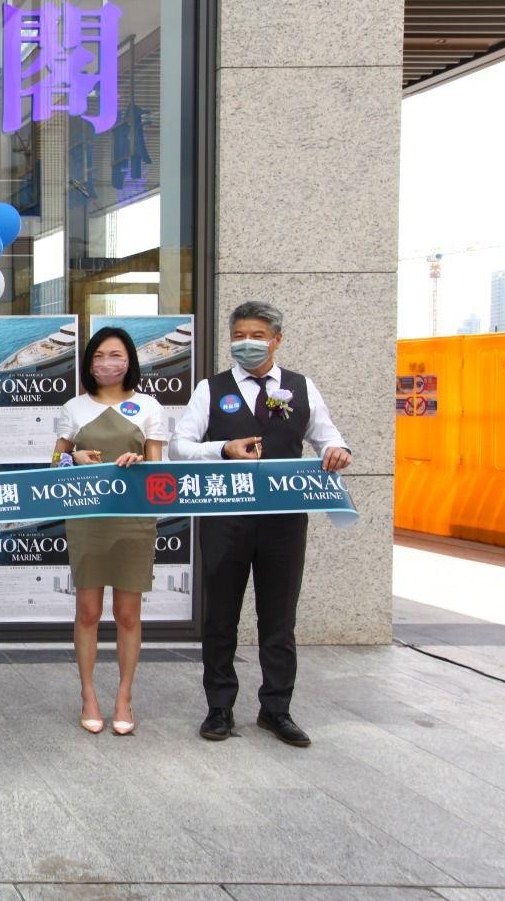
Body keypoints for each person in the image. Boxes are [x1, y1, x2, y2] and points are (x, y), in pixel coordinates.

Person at [172, 301, 351, 747]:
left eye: (256, 335)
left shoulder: (300, 387)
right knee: (220, 617)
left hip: (283, 521)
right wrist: (222, 449)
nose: (246, 343)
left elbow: (327, 435)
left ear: (276, 340)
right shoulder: (211, 389)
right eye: (238, 336)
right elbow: (179, 446)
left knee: (279, 618)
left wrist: (337, 450)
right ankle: (219, 708)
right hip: (225, 518)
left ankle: (276, 709)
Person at [51, 327, 168, 737]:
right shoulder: (73, 408)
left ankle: (123, 696)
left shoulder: (149, 407)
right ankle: (88, 695)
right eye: (99, 356)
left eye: (115, 355)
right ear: (89, 363)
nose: (107, 363)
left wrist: (141, 463)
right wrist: (75, 458)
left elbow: (159, 470)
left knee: (127, 615)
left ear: (129, 360)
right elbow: (54, 464)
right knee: (87, 612)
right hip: (87, 520)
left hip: (133, 520)